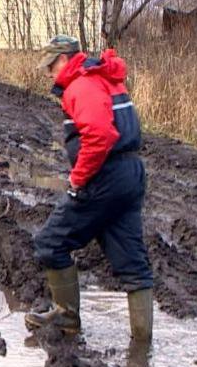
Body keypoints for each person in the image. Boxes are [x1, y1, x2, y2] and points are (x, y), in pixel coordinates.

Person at [27, 35, 154, 344]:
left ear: (62, 60)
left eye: (50, 67)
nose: (49, 75)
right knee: (132, 262)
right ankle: (142, 343)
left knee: (50, 243)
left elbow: (100, 135)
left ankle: (67, 318)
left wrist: (79, 178)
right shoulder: (105, 79)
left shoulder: (81, 85)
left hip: (104, 177)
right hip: (130, 175)